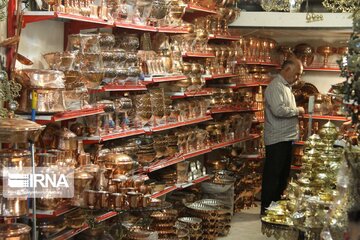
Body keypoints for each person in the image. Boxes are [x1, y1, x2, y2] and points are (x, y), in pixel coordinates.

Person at [260, 57, 305, 215]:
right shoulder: (275, 87)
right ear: (287, 70)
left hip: (286, 137)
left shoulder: (286, 87)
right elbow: (278, 111)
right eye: (297, 73)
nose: (298, 77)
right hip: (277, 139)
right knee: (273, 175)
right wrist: (297, 111)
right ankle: (267, 209)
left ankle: (276, 207)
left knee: (282, 175)